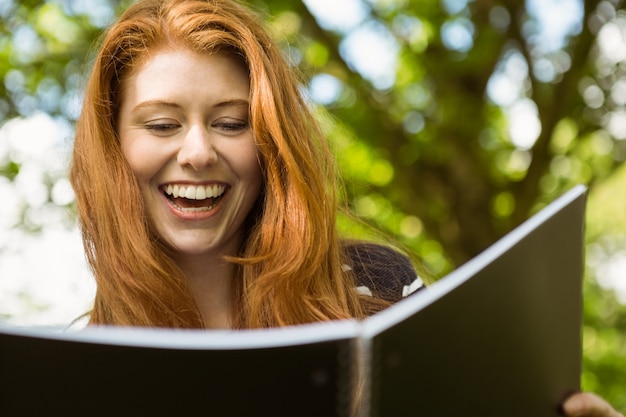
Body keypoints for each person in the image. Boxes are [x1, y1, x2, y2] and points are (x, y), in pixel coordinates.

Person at [68, 0, 623, 415]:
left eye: (231, 124)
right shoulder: (73, 373)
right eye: (162, 125)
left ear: (269, 143)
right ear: (114, 148)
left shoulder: (378, 285)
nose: (197, 153)